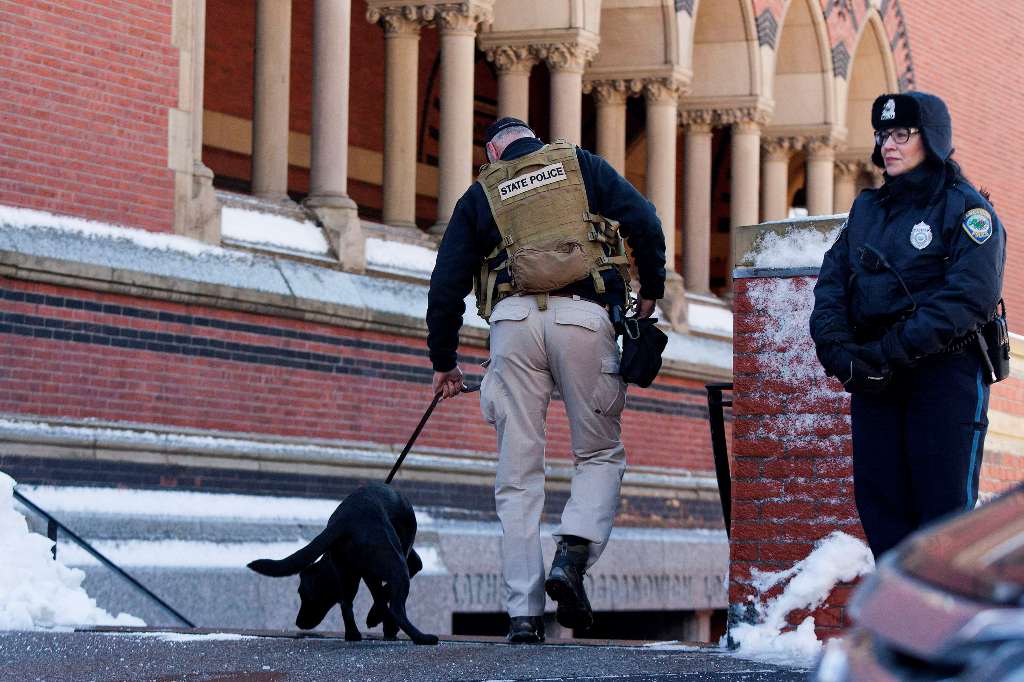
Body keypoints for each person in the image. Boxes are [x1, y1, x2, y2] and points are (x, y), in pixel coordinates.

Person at [426, 118, 666, 643]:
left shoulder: (481, 192)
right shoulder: (581, 165)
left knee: (517, 474)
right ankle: (573, 553)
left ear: (492, 150)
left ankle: (523, 615)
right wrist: (652, 287)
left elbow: (445, 286)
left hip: (511, 325)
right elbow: (644, 220)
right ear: (534, 139)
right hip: (584, 318)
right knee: (599, 453)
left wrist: (444, 361)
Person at [810, 92, 1006, 559]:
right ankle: (899, 626)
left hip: (944, 375)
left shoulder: (967, 210)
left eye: (902, 134)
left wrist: (889, 351)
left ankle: (944, 629)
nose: (889, 145)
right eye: (883, 135)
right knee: (881, 507)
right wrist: (840, 353)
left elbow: (968, 298)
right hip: (874, 379)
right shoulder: (868, 211)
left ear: (932, 140)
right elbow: (832, 285)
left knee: (943, 515)